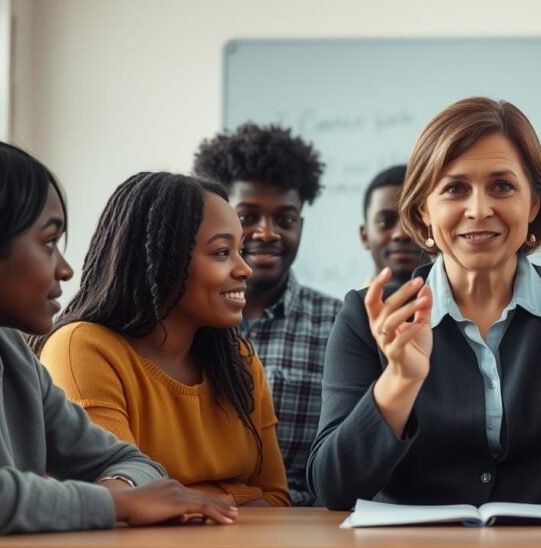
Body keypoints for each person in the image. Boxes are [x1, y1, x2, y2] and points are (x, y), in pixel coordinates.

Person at [307, 97, 541, 510]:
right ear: (423, 209)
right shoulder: (368, 316)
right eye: (455, 189)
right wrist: (400, 383)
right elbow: (333, 489)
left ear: (534, 204)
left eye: (503, 186)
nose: (479, 210)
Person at [0, 138, 237, 535]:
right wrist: (122, 503)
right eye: (48, 243)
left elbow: (134, 462)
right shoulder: (77, 345)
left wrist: (125, 489)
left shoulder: (11, 353)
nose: (65, 269)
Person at [37, 172, 290, 507]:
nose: (245, 269)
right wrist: (239, 497)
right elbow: (121, 501)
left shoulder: (238, 358)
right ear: (161, 260)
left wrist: (187, 499)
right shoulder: (82, 349)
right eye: (221, 252)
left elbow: (276, 499)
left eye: (239, 250)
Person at [193, 123, 341, 506]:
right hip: (198, 525)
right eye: (247, 216)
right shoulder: (186, 324)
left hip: (304, 530)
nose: (267, 233)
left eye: (285, 220)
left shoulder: (339, 325)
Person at [360, 164, 425, 287]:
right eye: (385, 222)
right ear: (364, 236)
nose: (402, 233)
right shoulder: (342, 306)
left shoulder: (465, 305)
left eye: (416, 220)